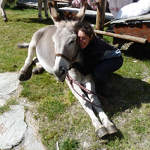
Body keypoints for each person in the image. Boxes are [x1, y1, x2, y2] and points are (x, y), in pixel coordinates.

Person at [72, 21, 123, 97]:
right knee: (93, 68)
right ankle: (101, 75)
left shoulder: (96, 50)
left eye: (84, 38)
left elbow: (85, 72)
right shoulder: (87, 42)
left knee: (97, 71)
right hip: (103, 57)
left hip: (116, 59)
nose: (80, 41)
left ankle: (107, 82)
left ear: (91, 37)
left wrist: (73, 63)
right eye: (79, 38)